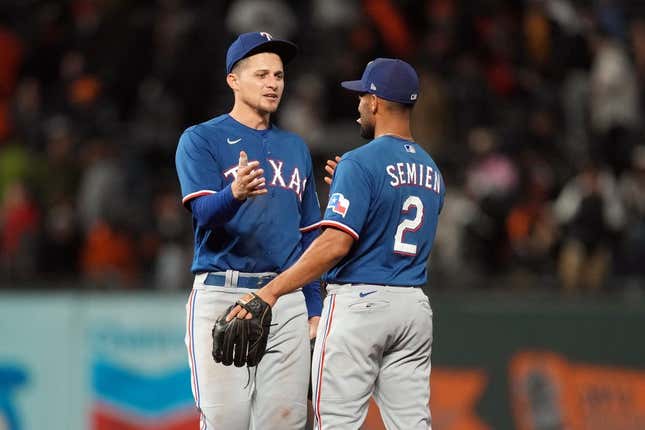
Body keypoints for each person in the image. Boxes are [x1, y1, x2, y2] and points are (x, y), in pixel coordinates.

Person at [228, 58, 445, 429]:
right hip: (413, 307)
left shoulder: (360, 163)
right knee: (412, 424)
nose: (358, 105)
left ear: (375, 102)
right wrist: (353, 181)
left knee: (337, 423)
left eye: (362, 96)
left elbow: (334, 245)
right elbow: (390, 216)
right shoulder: (431, 170)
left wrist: (271, 292)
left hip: (360, 307)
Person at [174, 32, 323, 430]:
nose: (273, 83)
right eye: (261, 74)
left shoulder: (295, 147)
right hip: (223, 291)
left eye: (278, 75)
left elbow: (309, 234)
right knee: (227, 421)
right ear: (233, 80)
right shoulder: (201, 139)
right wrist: (235, 193)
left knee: (284, 423)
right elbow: (204, 213)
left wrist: (314, 308)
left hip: (285, 296)